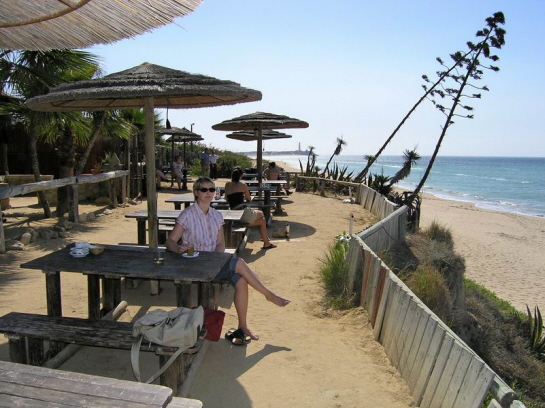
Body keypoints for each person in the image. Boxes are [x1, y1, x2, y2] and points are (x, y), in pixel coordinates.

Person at [165, 177, 290, 344]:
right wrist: (178, 248)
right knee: (240, 263)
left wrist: (218, 259)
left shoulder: (216, 215)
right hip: (194, 264)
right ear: (196, 192)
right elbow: (170, 241)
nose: (208, 193)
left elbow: (220, 244)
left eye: (211, 189)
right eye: (204, 189)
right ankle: (269, 295)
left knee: (241, 281)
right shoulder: (187, 215)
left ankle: (243, 326)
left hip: (213, 262)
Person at [225, 168, 277, 250]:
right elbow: (248, 198)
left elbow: (227, 199)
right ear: (240, 176)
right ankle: (266, 241)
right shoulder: (242, 185)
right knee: (261, 214)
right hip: (242, 212)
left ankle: (266, 240)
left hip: (233, 213)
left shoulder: (227, 185)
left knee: (262, 221)